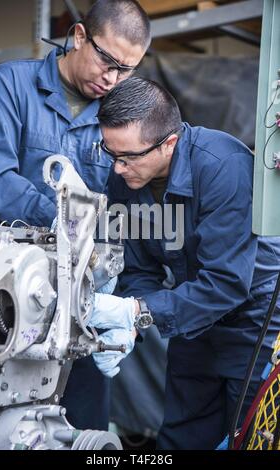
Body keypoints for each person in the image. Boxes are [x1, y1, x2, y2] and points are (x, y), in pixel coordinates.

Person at [0, 1, 150, 431]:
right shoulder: (10, 85)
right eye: (106, 60)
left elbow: (125, 218)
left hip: (82, 306)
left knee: (82, 431)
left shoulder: (123, 117)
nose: (112, 78)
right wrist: (70, 219)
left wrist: (123, 314)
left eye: (126, 70)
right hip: (8, 297)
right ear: (77, 36)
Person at [87, 76, 280, 449]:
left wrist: (136, 312)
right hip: (194, 318)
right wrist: (130, 328)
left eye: (127, 157)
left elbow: (227, 283)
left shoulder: (223, 166)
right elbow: (139, 268)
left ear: (169, 143)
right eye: (111, 154)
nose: (117, 169)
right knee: (180, 436)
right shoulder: (125, 181)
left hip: (254, 322)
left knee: (250, 434)